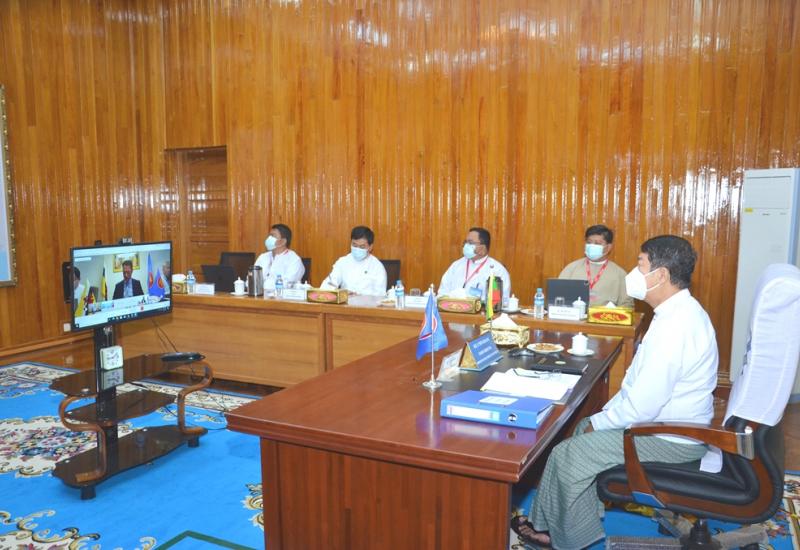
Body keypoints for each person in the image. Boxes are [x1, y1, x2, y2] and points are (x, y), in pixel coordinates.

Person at [515, 235, 718, 550]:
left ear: (661, 275)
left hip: (672, 438)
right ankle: (552, 525)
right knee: (582, 428)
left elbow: (642, 408)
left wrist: (601, 422)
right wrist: (601, 418)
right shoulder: (677, 312)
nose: (634, 273)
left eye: (641, 265)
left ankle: (563, 538)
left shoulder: (676, 327)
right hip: (664, 425)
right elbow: (636, 387)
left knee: (567, 453)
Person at [558, 224, 633, 308]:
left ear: (608, 247)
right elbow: (557, 296)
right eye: (589, 242)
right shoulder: (571, 268)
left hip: (605, 315)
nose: (592, 246)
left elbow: (627, 305)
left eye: (597, 243)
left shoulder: (619, 274)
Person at [438, 227, 511, 301]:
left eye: (470, 243)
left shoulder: (497, 271)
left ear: (483, 248)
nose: (466, 246)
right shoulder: (456, 265)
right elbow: (442, 292)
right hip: (453, 307)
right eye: (465, 242)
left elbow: (500, 301)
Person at [322, 225, 387, 296]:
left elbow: (380, 296)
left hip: (367, 302)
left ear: (370, 247)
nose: (357, 249)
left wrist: (360, 297)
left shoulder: (377, 267)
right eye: (354, 245)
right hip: (345, 302)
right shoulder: (343, 262)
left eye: (362, 246)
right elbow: (327, 286)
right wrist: (341, 292)